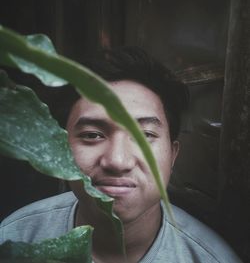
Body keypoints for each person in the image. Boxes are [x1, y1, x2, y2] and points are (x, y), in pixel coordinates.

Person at [0, 47, 242, 263]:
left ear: (173, 155)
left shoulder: (210, 258)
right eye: (93, 135)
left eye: (144, 136)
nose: (117, 161)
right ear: (61, 149)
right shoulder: (15, 239)